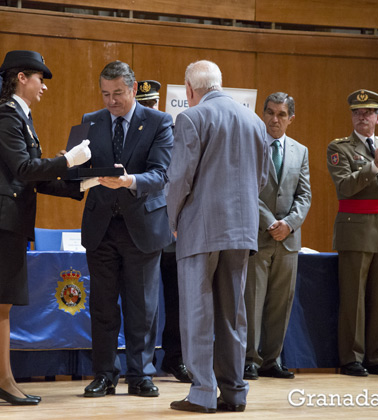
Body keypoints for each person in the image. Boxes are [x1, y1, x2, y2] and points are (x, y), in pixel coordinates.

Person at [0, 50, 90, 406]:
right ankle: (1, 381)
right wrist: (69, 159)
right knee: (0, 304)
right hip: (0, 221)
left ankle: (2, 381)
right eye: (40, 79)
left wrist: (84, 184)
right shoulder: (7, 116)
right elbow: (26, 169)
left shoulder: (20, 116)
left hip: (10, 221)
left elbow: (34, 179)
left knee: (4, 304)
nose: (44, 87)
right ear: (21, 78)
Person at [166, 60, 269, 413]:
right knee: (233, 313)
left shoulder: (191, 118)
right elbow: (263, 180)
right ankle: (235, 392)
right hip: (242, 230)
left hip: (200, 227)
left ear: (190, 90)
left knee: (197, 311)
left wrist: (173, 217)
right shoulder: (255, 121)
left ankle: (202, 393)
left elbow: (179, 177)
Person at [80, 62, 173, 398]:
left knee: (143, 308)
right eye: (105, 94)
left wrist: (129, 181)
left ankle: (141, 374)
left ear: (133, 90)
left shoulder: (160, 123)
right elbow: (77, 169)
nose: (111, 101)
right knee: (103, 306)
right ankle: (104, 374)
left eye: (117, 93)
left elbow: (162, 174)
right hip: (101, 227)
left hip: (142, 227)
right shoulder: (91, 121)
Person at [326, 89, 378, 377]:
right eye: (357, 113)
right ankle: (352, 358)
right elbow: (345, 187)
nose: (362, 117)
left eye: (368, 112)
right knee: (353, 299)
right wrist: (374, 165)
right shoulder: (339, 148)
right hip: (355, 231)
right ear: (351, 116)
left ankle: (377, 357)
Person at [244, 92, 311, 380]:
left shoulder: (301, 151)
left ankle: (272, 359)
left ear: (290, 118)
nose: (274, 119)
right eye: (270, 112)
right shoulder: (251, 146)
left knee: (280, 303)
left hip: (289, 240)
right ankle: (250, 359)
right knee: (252, 301)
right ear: (263, 113)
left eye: (281, 114)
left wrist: (290, 224)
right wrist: (272, 222)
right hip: (258, 236)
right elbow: (247, 189)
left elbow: (304, 195)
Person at [135, 79, 190, 383]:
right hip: (141, 227)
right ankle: (142, 363)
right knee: (144, 303)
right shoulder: (127, 136)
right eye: (143, 104)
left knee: (178, 300)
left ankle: (175, 358)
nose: (149, 109)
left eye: (152, 103)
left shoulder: (175, 134)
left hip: (173, 230)